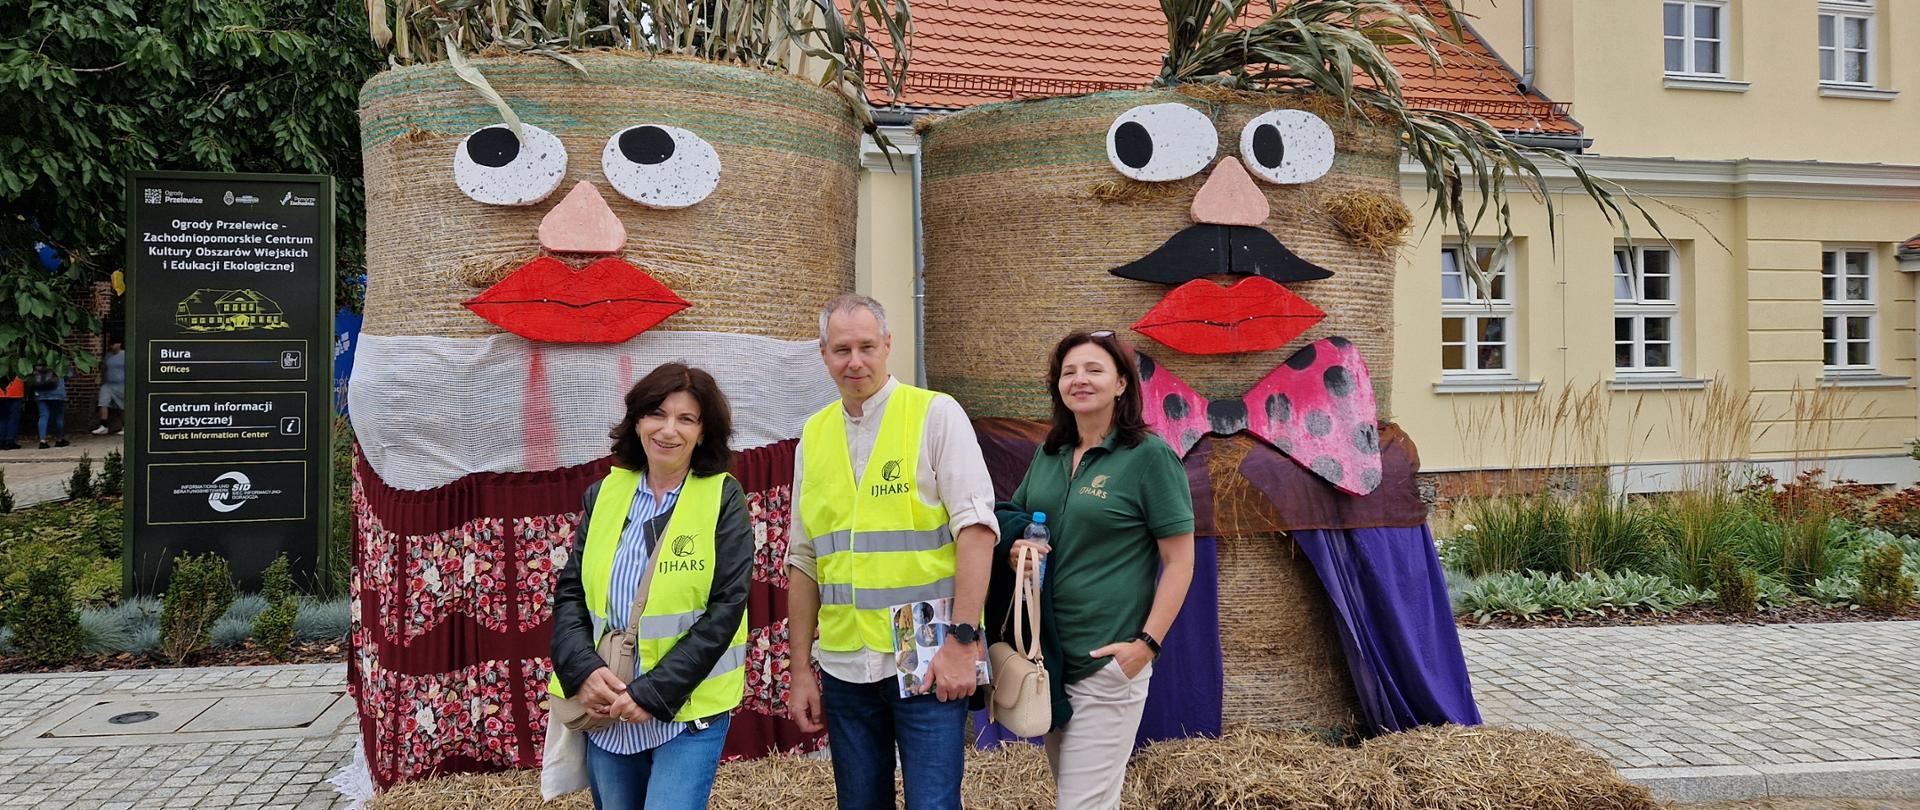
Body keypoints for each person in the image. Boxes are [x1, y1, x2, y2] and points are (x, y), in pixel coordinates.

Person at [785, 294, 998, 810]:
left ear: (888, 346)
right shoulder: (812, 436)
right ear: (823, 353)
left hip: (926, 648)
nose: (854, 361)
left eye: (866, 347)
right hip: (843, 662)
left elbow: (977, 531)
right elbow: (804, 559)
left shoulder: (935, 414)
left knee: (933, 804)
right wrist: (798, 671)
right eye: (841, 349)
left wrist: (962, 641)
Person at [997, 330, 1195, 810]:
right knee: (1082, 799)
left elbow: (1179, 560)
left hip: (1107, 663)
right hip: (1050, 659)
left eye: (1094, 369)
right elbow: (1010, 514)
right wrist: (1016, 542)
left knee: (1082, 805)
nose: (1079, 380)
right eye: (1069, 372)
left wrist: (1144, 647)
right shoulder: (1051, 453)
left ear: (1123, 383)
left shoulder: (1149, 457)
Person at [548, 362, 753, 810]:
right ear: (637, 421)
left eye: (686, 419)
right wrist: (582, 671)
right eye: (656, 413)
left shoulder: (722, 498)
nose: (668, 430)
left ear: (703, 433)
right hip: (609, 704)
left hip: (687, 709)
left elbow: (726, 609)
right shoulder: (606, 494)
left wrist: (654, 693)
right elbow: (571, 596)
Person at [30, 365, 69, 449]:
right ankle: (59, 439)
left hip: (41, 392)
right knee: (59, 416)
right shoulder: (60, 361)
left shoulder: (38, 362)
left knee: (43, 416)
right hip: (57, 392)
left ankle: (42, 441)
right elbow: (67, 375)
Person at [92, 340, 125, 435]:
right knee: (103, 403)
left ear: (119, 344)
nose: (112, 346)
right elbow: (104, 368)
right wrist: (100, 379)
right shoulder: (108, 356)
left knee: (123, 406)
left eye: (113, 343)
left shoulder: (125, 355)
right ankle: (103, 426)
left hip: (121, 384)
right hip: (108, 384)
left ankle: (125, 426)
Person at [0, 377, 22, 450]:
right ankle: (10, 440)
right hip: (16, 392)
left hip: (1, 393)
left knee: (2, 418)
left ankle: (1, 440)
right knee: (13, 418)